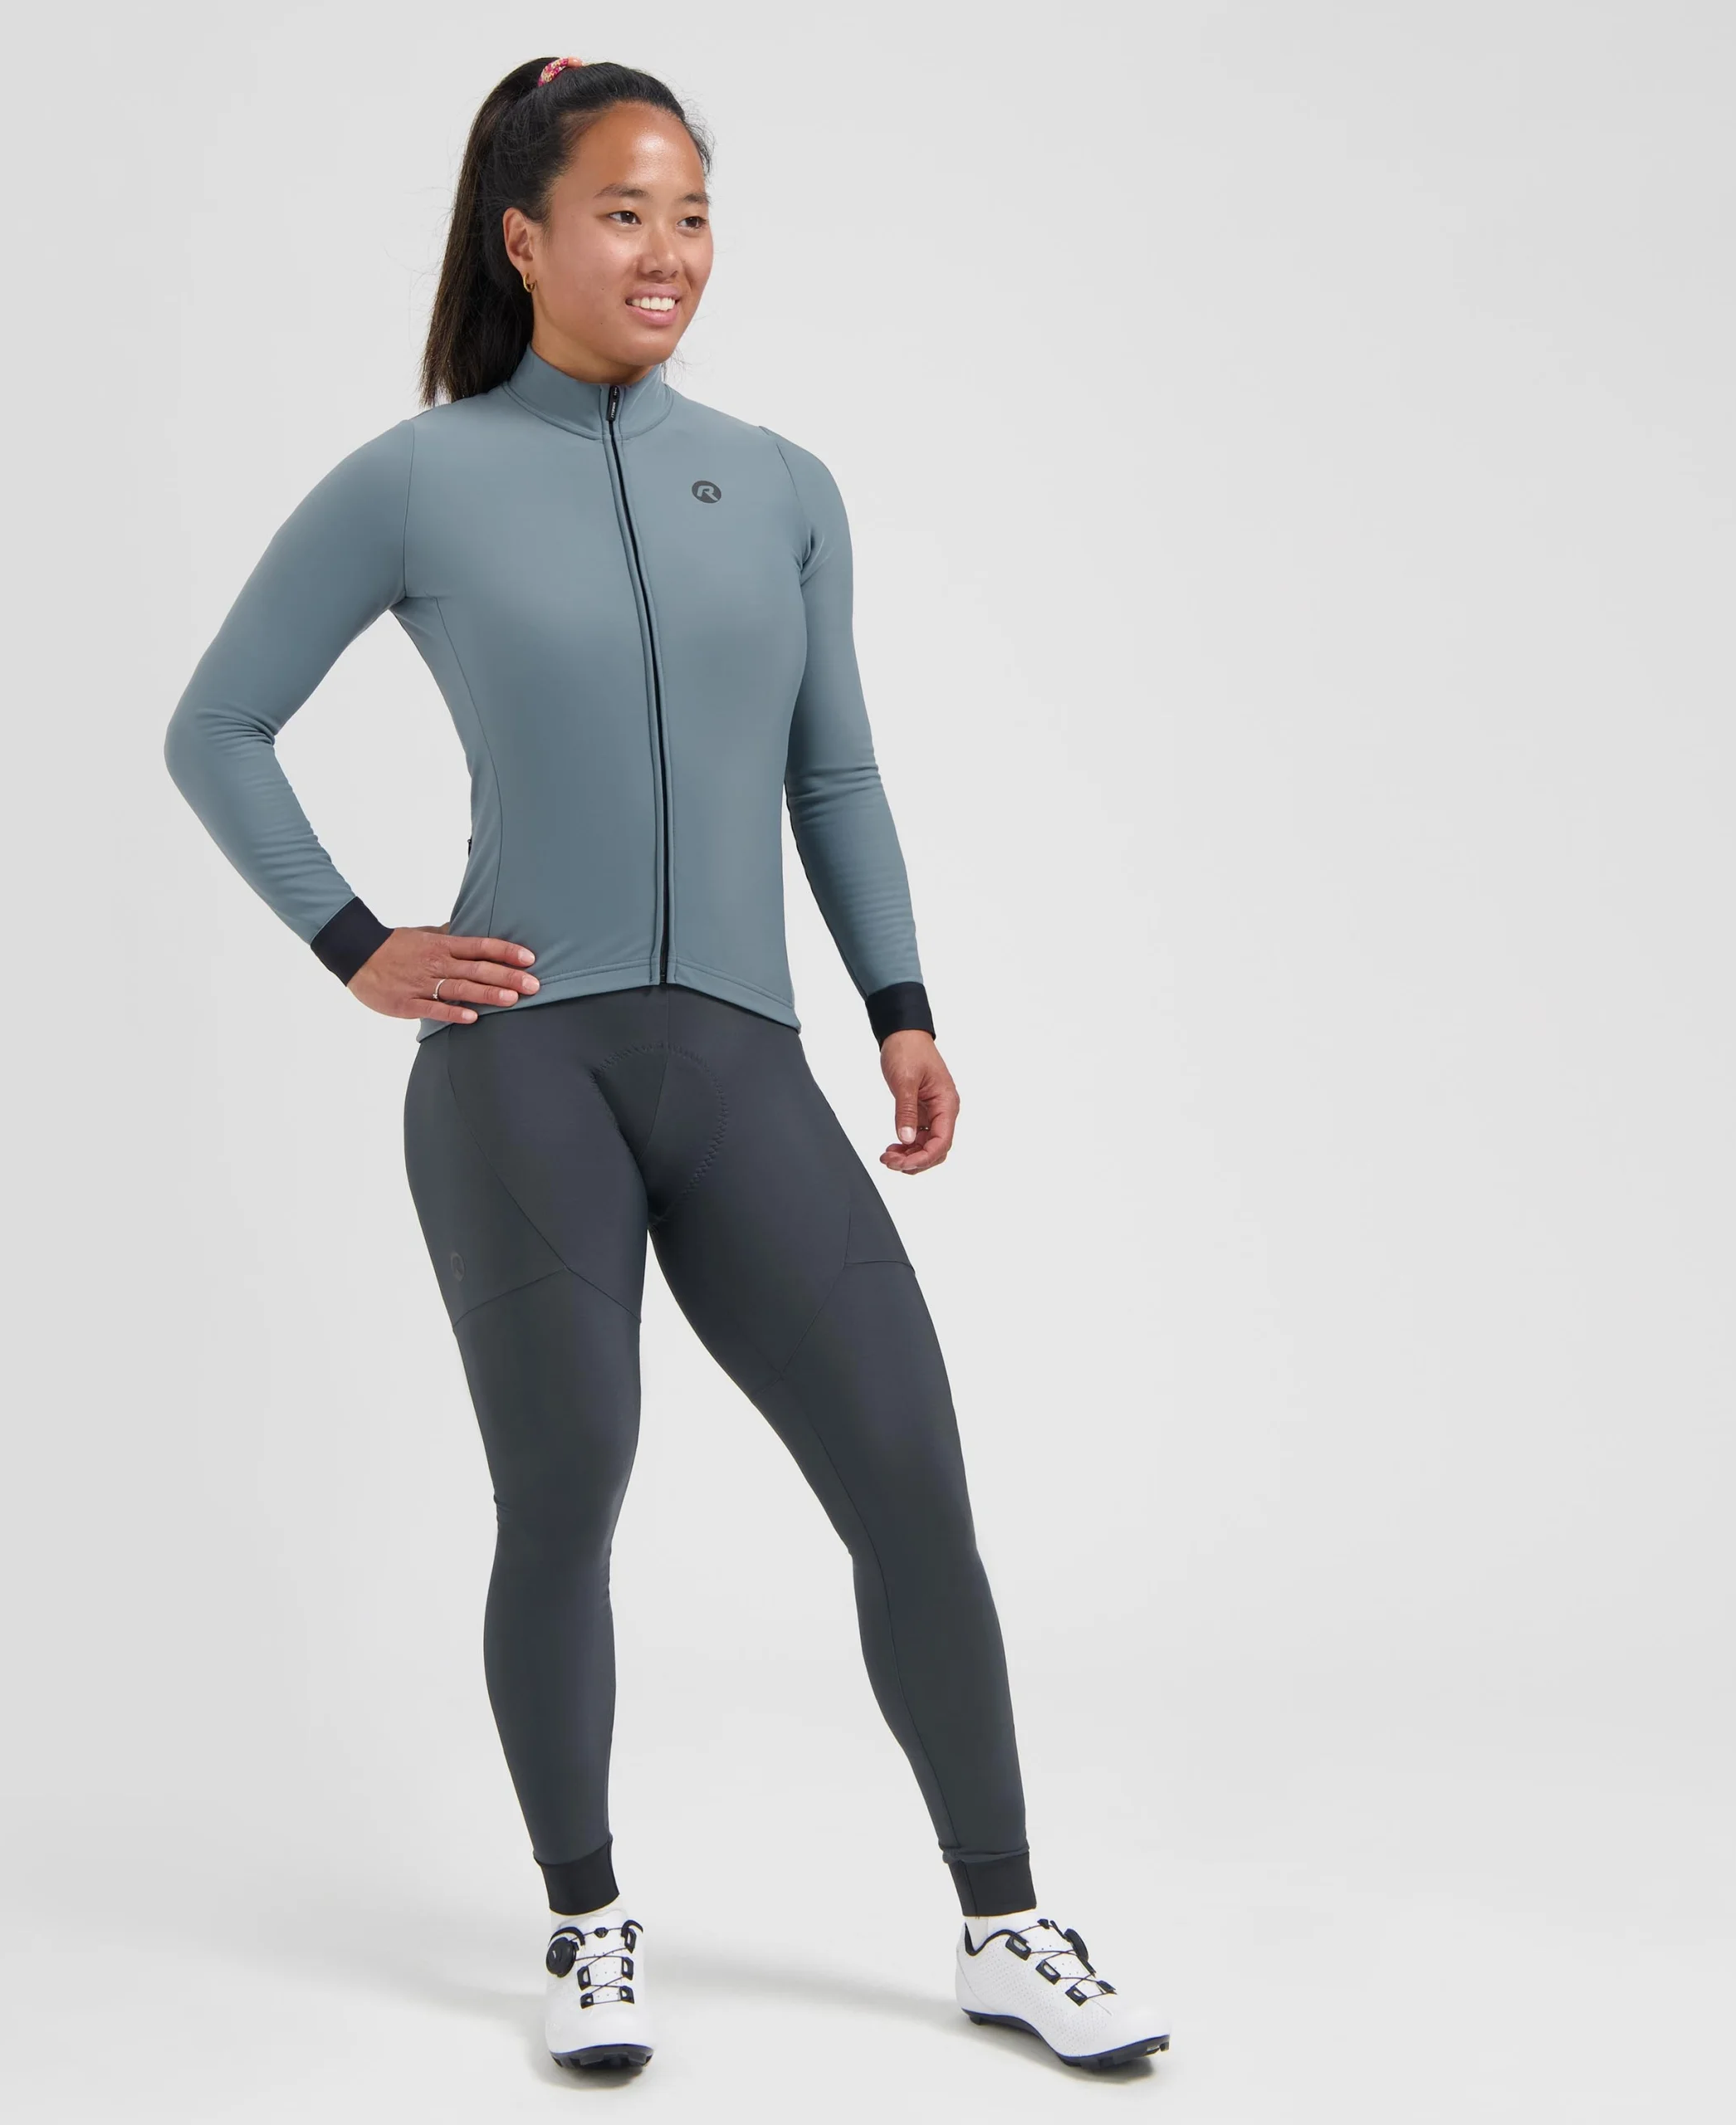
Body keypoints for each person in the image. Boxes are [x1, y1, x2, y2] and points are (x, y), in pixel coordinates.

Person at [163, 53, 1171, 2076]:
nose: (667, 251)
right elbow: (217, 725)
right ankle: (586, 1915)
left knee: (910, 1480)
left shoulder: (780, 487)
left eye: (691, 213)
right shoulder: (417, 480)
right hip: (519, 1067)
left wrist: (897, 1002)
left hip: (737, 1057)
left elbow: (834, 771)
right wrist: (357, 944)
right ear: (521, 239)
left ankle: (1005, 1920)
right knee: (567, 1488)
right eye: (622, 212)